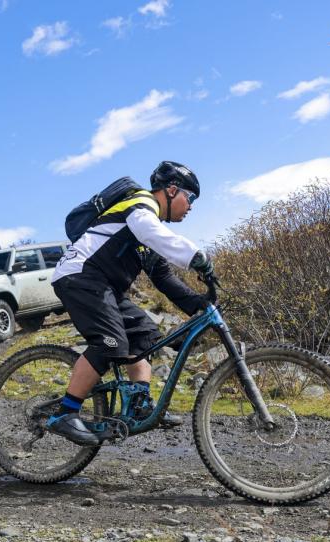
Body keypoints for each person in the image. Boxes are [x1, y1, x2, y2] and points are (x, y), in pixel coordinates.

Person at [47, 161, 215, 446]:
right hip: (79, 275)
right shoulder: (140, 203)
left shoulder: (148, 227)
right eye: (191, 198)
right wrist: (195, 256)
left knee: (145, 335)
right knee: (110, 342)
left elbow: (162, 277)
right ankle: (65, 413)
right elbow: (152, 232)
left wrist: (199, 303)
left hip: (105, 286)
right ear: (172, 190)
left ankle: (138, 404)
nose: (191, 206)